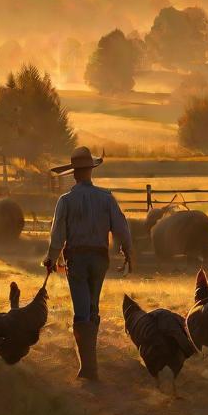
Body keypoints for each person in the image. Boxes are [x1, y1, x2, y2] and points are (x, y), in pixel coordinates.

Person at [43, 147, 133, 381]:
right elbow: (121, 228)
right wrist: (128, 252)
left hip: (78, 259)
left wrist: (51, 259)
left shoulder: (66, 201)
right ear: (91, 171)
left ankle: (88, 368)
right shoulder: (106, 198)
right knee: (92, 306)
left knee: (81, 309)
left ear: (74, 174)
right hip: (99, 259)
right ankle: (89, 364)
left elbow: (57, 236)